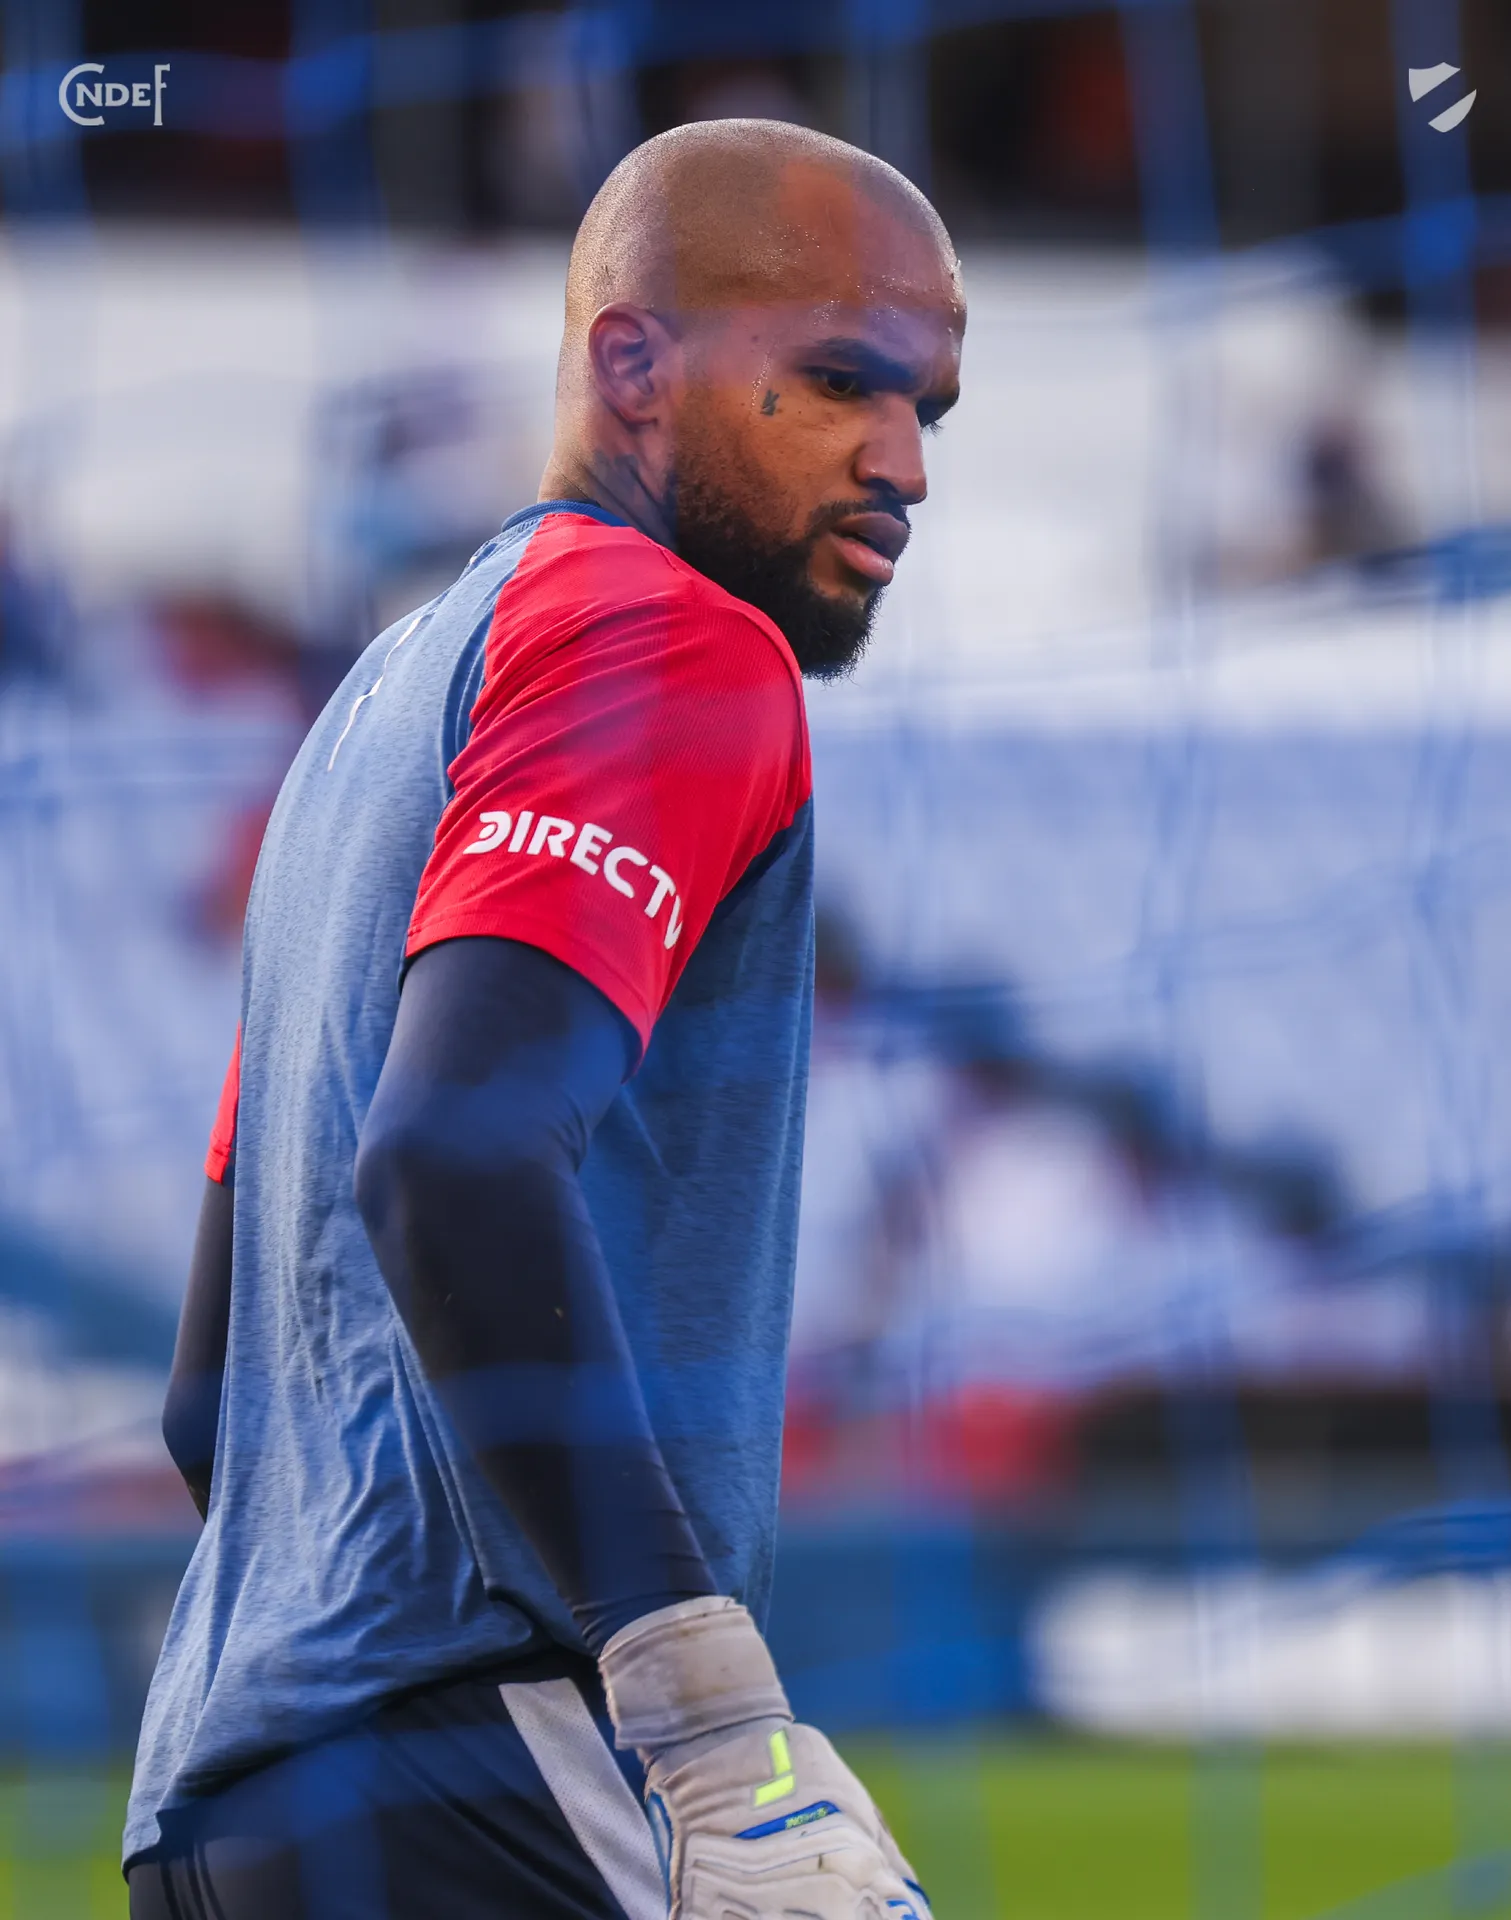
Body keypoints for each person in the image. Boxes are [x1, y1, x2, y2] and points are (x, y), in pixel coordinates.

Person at [126, 117, 964, 1920]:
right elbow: (450, 1156)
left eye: (928, 412)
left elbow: (212, 1402)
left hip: (226, 1811)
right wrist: (707, 1722)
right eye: (843, 381)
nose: (902, 462)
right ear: (631, 362)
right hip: (507, 1759)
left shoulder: (367, 720)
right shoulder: (668, 634)